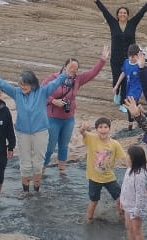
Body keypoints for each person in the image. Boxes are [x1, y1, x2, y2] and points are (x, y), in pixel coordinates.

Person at [0, 57, 67, 195]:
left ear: (32, 84)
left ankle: (37, 191)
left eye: (25, 84)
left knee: (38, 163)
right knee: (25, 164)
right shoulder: (16, 93)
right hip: (23, 133)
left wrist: (66, 72)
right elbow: (0, 83)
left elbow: (57, 82)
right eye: (20, 84)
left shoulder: (43, 91)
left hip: (40, 132)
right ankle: (26, 192)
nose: (22, 87)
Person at [43, 46, 109, 177]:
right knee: (50, 146)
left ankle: (62, 171)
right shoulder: (52, 78)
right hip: (52, 118)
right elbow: (40, 93)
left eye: (75, 70)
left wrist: (102, 60)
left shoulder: (77, 79)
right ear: (64, 66)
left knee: (64, 145)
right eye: (70, 69)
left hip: (68, 119)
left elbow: (92, 73)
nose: (72, 73)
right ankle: (42, 170)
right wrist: (53, 101)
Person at [93, 0, 147, 91]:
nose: (122, 14)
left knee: (129, 78)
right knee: (116, 77)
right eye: (120, 12)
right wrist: (97, 1)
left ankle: (127, 96)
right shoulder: (113, 23)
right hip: (116, 58)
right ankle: (116, 93)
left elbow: (141, 13)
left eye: (125, 13)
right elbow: (105, 11)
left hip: (130, 57)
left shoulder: (132, 23)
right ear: (117, 15)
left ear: (127, 15)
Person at [79, 116, 129, 222]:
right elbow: (82, 133)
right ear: (96, 130)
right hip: (94, 178)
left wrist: (132, 169)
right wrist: (83, 128)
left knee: (120, 199)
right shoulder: (91, 139)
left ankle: (122, 218)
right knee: (94, 201)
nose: (103, 129)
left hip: (109, 177)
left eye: (105, 127)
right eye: (100, 127)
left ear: (109, 129)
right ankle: (89, 220)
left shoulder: (115, 144)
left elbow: (124, 158)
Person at [120, 144, 147, 240]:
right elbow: (124, 186)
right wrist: (121, 200)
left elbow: (141, 195)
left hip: (136, 208)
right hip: (128, 205)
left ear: (134, 158)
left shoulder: (140, 175)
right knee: (128, 227)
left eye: (128, 154)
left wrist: (137, 210)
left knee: (137, 230)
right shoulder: (129, 170)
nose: (126, 156)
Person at [113, 44, 145, 127]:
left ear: (137, 56)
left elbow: (144, 79)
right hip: (129, 88)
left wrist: (142, 91)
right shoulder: (126, 62)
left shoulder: (139, 66)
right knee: (133, 105)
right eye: (130, 56)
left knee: (130, 104)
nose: (131, 58)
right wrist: (117, 85)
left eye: (133, 56)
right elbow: (123, 73)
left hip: (137, 89)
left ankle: (131, 123)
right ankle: (141, 118)